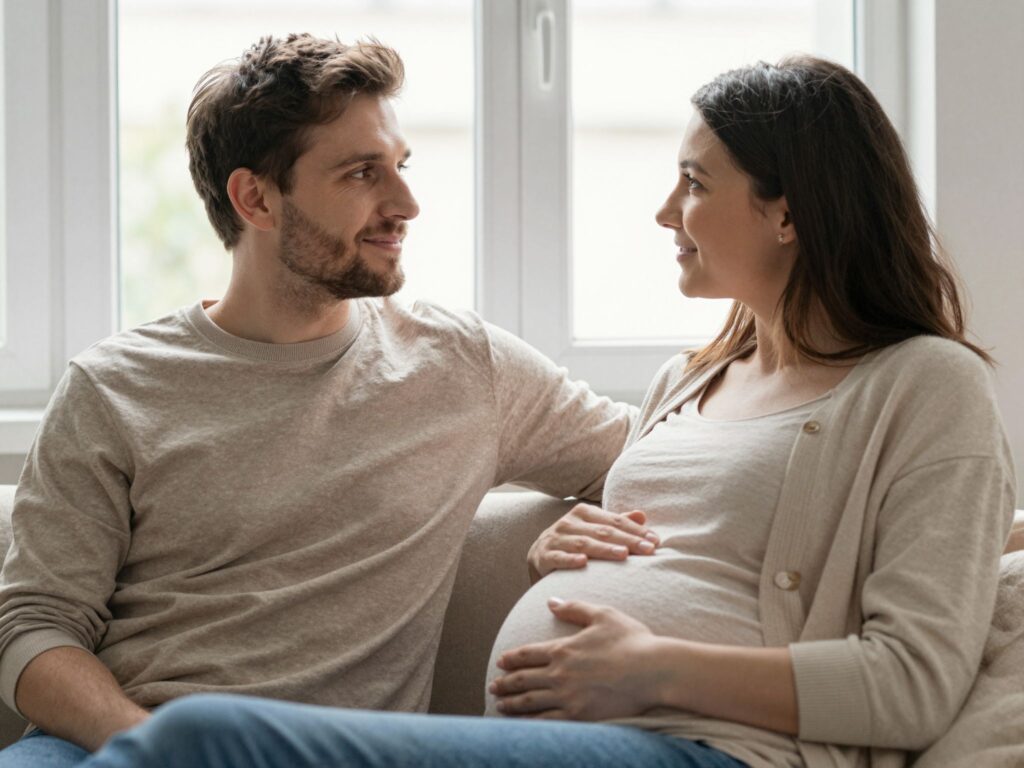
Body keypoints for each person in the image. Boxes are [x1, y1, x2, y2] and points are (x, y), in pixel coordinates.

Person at [76, 54, 1018, 768]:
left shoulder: (923, 385)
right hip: (578, 740)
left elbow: (914, 682)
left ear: (789, 212)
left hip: (710, 748)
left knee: (203, 738)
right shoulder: (687, 381)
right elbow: (669, 533)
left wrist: (658, 669)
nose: (663, 212)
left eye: (695, 182)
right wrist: (552, 545)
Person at [0, 34, 649, 766]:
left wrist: (568, 531)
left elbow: (664, 460)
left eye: (400, 167)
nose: (406, 203)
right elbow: (34, 628)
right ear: (256, 198)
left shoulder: (465, 364)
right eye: (362, 174)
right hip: (102, 748)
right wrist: (152, 748)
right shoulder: (113, 387)